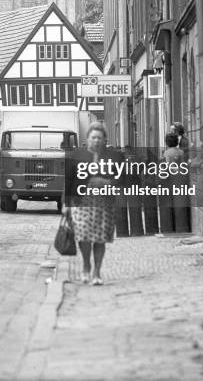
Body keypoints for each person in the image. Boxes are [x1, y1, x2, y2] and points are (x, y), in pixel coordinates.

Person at [64, 122, 122, 286]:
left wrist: (107, 182)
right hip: (81, 201)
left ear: (104, 140)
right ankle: (86, 265)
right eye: (93, 137)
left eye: (100, 138)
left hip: (105, 203)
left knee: (100, 238)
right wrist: (66, 204)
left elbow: (122, 178)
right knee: (83, 236)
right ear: (88, 138)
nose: (96, 140)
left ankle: (96, 271)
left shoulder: (114, 157)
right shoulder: (76, 156)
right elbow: (68, 180)